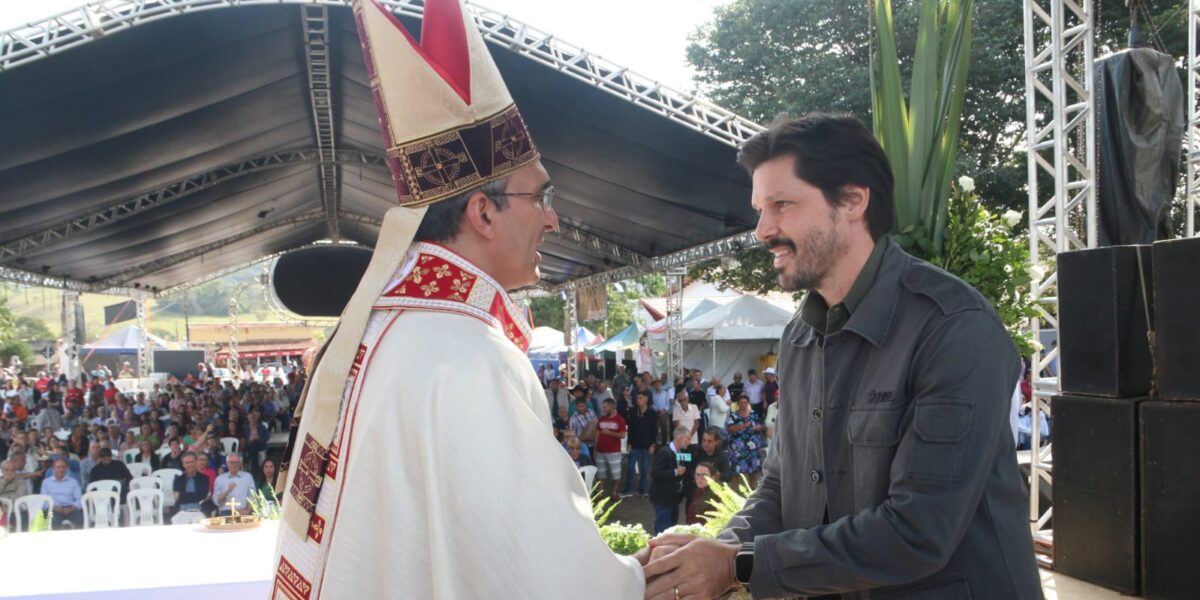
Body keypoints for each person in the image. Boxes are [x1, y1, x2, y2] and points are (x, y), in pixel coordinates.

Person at [272, 1, 644, 596]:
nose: (552, 221)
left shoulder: (376, 329)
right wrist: (642, 576)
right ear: (482, 212)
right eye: (541, 198)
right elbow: (541, 573)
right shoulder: (469, 356)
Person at [642, 114, 1041, 599]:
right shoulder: (800, 338)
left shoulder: (953, 328)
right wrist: (708, 557)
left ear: (853, 200)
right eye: (760, 209)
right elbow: (780, 489)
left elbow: (918, 531)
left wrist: (737, 567)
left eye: (782, 204)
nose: (763, 230)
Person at [649, 426, 693, 535]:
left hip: (673, 498)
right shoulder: (664, 452)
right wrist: (675, 472)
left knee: (672, 528)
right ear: (681, 438)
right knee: (663, 530)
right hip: (663, 498)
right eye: (688, 439)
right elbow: (655, 473)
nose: (689, 442)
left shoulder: (680, 452)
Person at [621, 390, 658, 498]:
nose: (638, 400)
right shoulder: (633, 411)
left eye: (640, 398)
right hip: (635, 444)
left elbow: (654, 430)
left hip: (647, 445)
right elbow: (631, 429)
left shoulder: (652, 413)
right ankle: (628, 489)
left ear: (646, 399)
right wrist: (629, 443)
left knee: (645, 469)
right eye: (637, 398)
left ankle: (642, 490)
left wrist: (653, 444)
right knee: (630, 467)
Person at [724, 395, 765, 488]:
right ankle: (734, 495)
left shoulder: (753, 414)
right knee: (736, 473)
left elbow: (760, 425)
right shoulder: (733, 415)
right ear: (738, 404)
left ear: (748, 404)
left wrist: (758, 427)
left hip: (752, 449)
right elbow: (729, 429)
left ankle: (753, 494)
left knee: (753, 473)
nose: (743, 404)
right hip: (737, 450)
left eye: (745, 403)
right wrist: (743, 426)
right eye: (741, 403)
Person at [593, 398, 627, 500]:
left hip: (614, 452)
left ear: (612, 407)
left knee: (615, 473)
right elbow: (597, 434)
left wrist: (610, 433)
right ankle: (600, 493)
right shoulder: (601, 419)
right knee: (601, 473)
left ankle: (614, 492)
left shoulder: (620, 419)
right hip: (600, 451)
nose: (603, 408)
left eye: (605, 406)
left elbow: (622, 435)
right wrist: (595, 448)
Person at [41, 458, 83, 529]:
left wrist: (72, 508)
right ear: (53, 469)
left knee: (80, 519)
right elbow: (44, 501)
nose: (61, 469)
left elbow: (79, 499)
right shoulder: (46, 482)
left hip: (71, 508)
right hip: (54, 509)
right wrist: (54, 507)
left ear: (67, 468)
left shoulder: (73, 482)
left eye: (63, 467)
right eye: (58, 467)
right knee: (54, 521)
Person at [172, 451, 211, 517]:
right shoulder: (178, 479)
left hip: (199, 511)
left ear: (196, 462)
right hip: (181, 511)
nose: (189, 465)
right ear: (183, 464)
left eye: (192, 462)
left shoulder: (204, 478)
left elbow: (201, 495)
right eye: (187, 463)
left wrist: (181, 495)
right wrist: (195, 495)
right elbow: (177, 498)